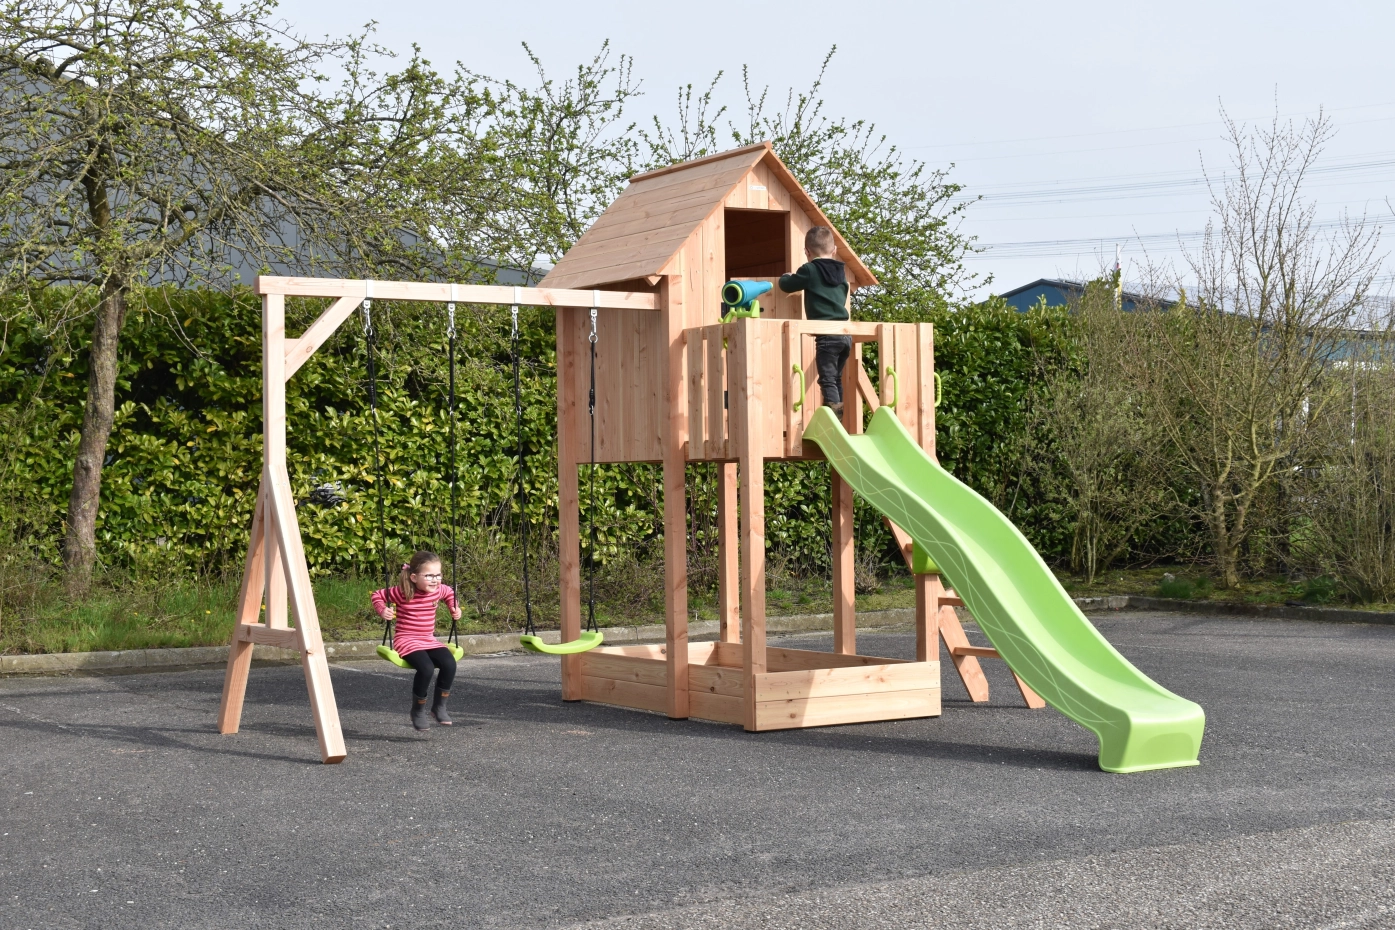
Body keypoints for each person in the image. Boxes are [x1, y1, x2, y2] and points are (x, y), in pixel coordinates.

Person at [371, 550, 463, 730]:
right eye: (429, 576)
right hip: (406, 640)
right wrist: (382, 610)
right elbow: (377, 595)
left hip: (428, 639)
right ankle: (418, 710)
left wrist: (455, 608)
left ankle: (439, 707)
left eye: (438, 575)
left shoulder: (439, 590)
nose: (435, 580)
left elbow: (450, 593)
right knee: (426, 668)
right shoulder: (402, 592)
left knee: (449, 663)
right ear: (413, 577)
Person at [779, 226, 851, 418]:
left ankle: (835, 420)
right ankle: (838, 420)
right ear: (834, 250)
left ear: (807, 252)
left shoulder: (810, 269)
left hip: (827, 336)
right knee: (835, 379)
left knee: (827, 380)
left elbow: (788, 285)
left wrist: (785, 277)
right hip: (844, 334)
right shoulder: (841, 272)